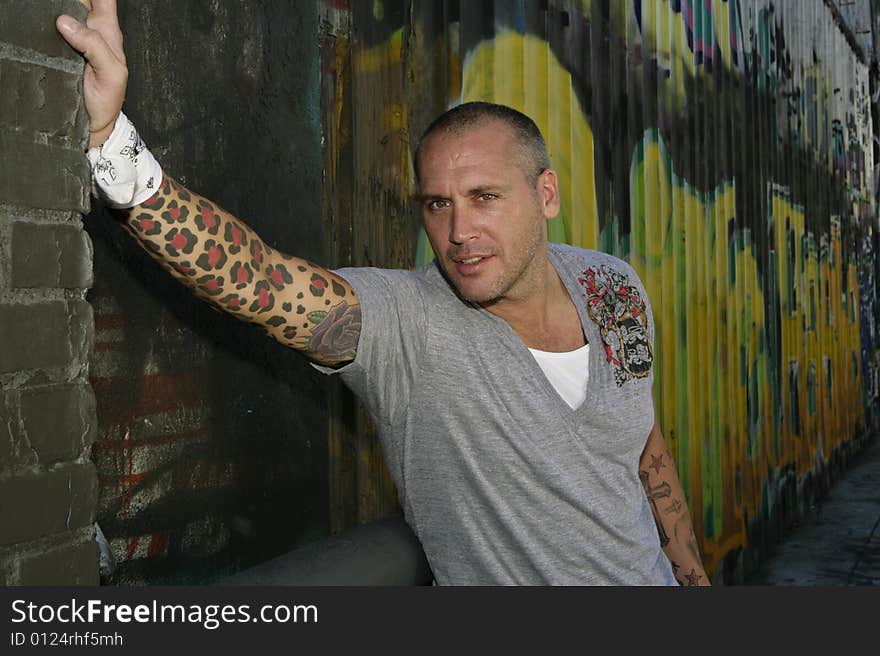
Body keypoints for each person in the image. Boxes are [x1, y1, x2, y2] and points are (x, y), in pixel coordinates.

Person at [56, 0, 709, 585]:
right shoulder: (408, 326)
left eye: (485, 198)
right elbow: (253, 278)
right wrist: (111, 144)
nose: (458, 232)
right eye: (437, 205)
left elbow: (642, 443)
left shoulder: (610, 286)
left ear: (546, 194)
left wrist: (693, 581)